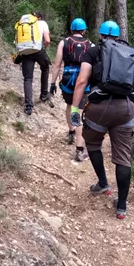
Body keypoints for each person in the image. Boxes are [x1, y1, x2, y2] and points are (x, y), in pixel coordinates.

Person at [71, 20, 134, 220]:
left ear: (101, 35)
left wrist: (75, 108)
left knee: (93, 143)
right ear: (119, 35)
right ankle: (121, 206)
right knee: (123, 157)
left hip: (98, 107)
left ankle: (103, 183)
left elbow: (82, 81)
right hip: (126, 109)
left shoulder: (93, 52)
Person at [49, 18, 92, 162]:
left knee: (69, 106)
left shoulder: (64, 42)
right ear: (84, 30)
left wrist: (52, 83)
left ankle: (71, 131)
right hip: (83, 81)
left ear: (72, 29)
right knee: (78, 111)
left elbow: (56, 64)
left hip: (67, 81)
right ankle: (80, 149)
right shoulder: (89, 45)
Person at [14, 11, 51, 116]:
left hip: (25, 51)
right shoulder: (43, 23)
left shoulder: (23, 24)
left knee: (28, 78)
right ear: (39, 18)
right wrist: (43, 48)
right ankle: (44, 94)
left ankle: (29, 106)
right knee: (45, 68)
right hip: (38, 51)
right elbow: (47, 40)